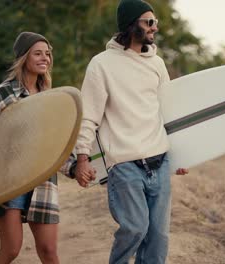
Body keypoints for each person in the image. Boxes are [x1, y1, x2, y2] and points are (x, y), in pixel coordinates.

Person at [74, 0, 188, 263]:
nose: (154, 28)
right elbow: (88, 116)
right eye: (149, 22)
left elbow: (168, 113)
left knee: (158, 239)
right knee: (135, 229)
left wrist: (181, 156)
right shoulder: (101, 64)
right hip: (125, 165)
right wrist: (81, 158)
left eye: (155, 23)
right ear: (130, 25)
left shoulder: (156, 64)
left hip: (159, 161)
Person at [0, 32, 75, 264]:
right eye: (37, 53)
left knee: (49, 251)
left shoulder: (50, 98)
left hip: (43, 181)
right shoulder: (0, 95)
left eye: (47, 54)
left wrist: (75, 168)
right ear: (23, 57)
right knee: (11, 249)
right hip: (8, 179)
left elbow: (54, 143)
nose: (44, 58)